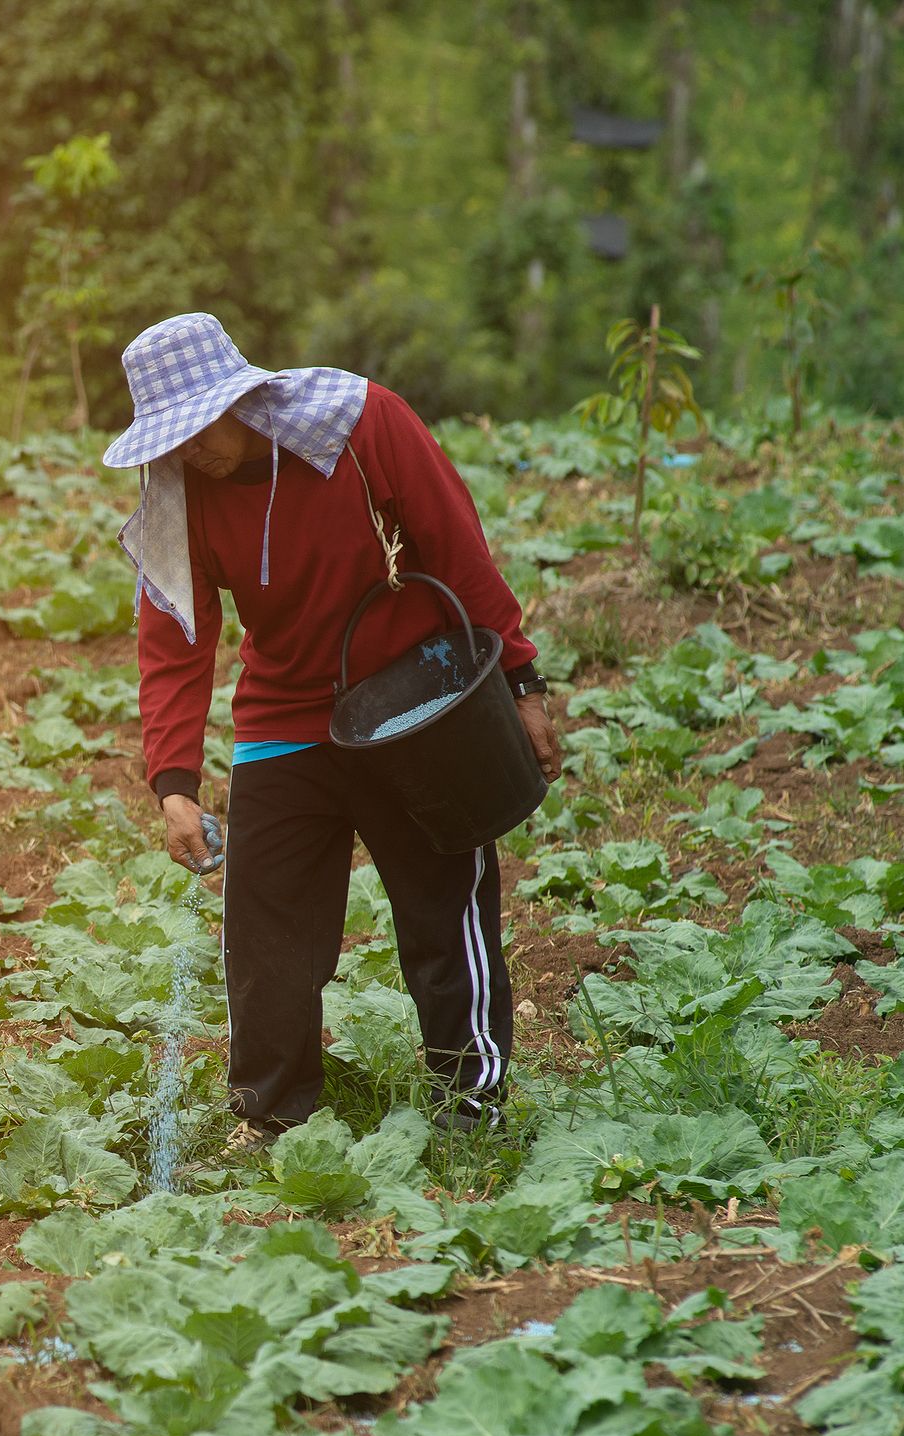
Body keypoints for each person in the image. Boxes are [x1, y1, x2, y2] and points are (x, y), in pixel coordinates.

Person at [103, 312, 561, 1142]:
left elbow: (460, 548)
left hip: (413, 707)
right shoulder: (179, 492)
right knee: (264, 919)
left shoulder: (361, 425)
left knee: (440, 902)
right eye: (172, 438)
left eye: (201, 425)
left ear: (240, 395)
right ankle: (274, 1114)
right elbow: (175, 637)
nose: (192, 449)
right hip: (286, 715)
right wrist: (173, 781)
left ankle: (472, 1102)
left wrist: (521, 680)